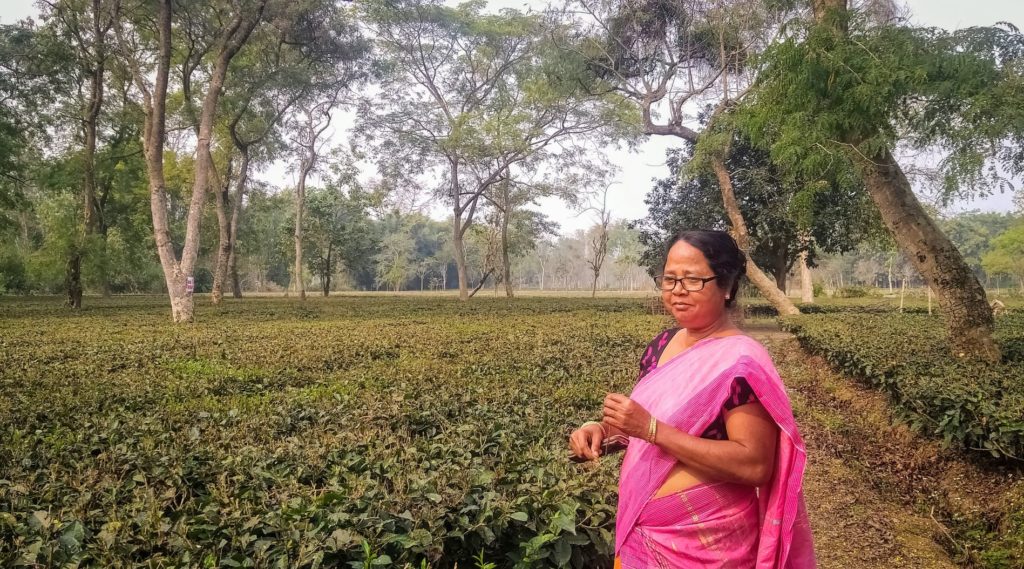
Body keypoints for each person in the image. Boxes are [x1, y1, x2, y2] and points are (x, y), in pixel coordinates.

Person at [569, 230, 816, 569]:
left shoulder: (741, 362)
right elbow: (643, 428)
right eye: (669, 280)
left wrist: (651, 429)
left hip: (709, 544)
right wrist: (600, 431)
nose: (677, 291)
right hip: (643, 532)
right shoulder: (661, 346)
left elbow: (755, 464)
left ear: (727, 286)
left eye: (693, 280)